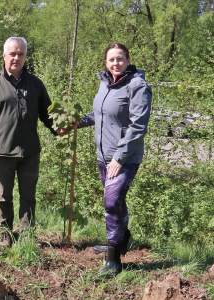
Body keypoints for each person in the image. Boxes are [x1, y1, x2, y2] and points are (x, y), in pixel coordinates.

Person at [0, 37, 58, 247]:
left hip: (30, 152)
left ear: (25, 57)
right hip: (3, 152)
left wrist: (60, 128)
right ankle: (5, 234)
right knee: (4, 196)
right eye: (12, 53)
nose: (16, 58)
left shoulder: (35, 84)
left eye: (20, 54)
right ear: (4, 56)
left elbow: (48, 113)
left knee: (29, 196)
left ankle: (27, 234)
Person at [77, 42, 152, 276]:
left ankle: (113, 260)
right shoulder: (105, 83)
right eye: (111, 59)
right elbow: (100, 115)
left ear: (128, 60)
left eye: (120, 59)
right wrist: (76, 122)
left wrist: (119, 158)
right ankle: (121, 240)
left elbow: (138, 125)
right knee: (116, 201)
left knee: (110, 203)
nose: (116, 63)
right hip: (103, 155)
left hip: (124, 157)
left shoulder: (137, 86)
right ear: (105, 62)